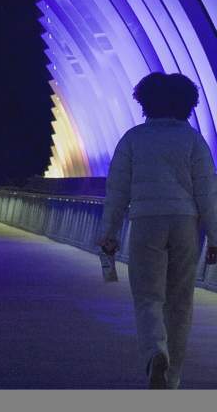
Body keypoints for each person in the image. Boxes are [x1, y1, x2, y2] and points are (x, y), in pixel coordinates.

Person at [99, 72, 217, 390]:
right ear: (186, 103)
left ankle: (155, 352)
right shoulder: (194, 140)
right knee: (180, 301)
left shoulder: (133, 138)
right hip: (185, 223)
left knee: (148, 296)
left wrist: (109, 231)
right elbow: (208, 192)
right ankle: (173, 376)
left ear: (145, 102)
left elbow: (117, 191)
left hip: (146, 221)